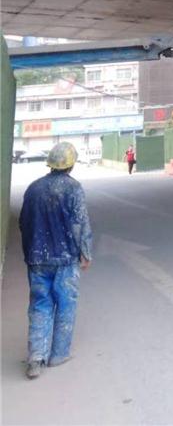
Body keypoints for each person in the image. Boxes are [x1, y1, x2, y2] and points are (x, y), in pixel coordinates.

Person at [19, 142, 92, 380]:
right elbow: (80, 223)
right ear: (71, 164)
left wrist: (30, 253)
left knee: (40, 304)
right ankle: (58, 354)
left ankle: (35, 358)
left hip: (37, 259)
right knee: (66, 304)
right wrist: (86, 252)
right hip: (65, 260)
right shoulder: (73, 188)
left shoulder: (33, 188)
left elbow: (24, 223)